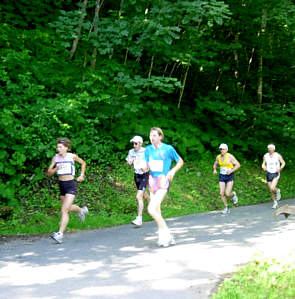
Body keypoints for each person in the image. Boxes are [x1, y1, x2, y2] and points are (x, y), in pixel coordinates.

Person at [143, 127, 184, 247]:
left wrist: (172, 171)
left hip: (163, 180)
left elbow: (180, 161)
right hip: (152, 181)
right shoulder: (148, 150)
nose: (152, 138)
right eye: (150, 135)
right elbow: (147, 166)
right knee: (157, 210)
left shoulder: (168, 148)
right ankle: (163, 236)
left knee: (151, 209)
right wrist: (145, 168)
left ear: (160, 137)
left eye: (154, 135)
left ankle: (167, 233)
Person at [47, 137, 88, 244]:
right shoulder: (55, 158)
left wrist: (82, 175)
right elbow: (48, 173)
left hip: (71, 184)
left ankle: (60, 234)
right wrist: (56, 168)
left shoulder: (72, 156)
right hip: (62, 185)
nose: (58, 149)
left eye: (60, 147)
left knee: (64, 210)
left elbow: (83, 163)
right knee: (68, 208)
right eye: (57, 147)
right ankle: (81, 210)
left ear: (66, 147)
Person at [126, 135, 150, 227]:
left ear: (140, 143)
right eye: (133, 143)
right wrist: (129, 162)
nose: (134, 145)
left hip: (144, 175)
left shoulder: (146, 151)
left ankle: (139, 219)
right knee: (144, 195)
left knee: (138, 196)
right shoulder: (131, 152)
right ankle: (152, 205)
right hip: (136, 175)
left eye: (136, 143)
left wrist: (147, 168)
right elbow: (128, 164)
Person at [213, 143, 240, 214]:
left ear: (227, 150)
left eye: (223, 149)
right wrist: (214, 169)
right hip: (222, 176)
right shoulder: (218, 157)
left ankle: (233, 195)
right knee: (221, 193)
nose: (221, 150)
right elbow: (215, 164)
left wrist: (231, 171)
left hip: (229, 176)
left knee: (227, 193)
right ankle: (226, 207)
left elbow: (238, 165)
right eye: (220, 149)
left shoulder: (230, 156)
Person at [262, 144, 285, 209]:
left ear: (274, 149)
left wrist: (280, 169)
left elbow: (283, 163)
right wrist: (263, 167)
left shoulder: (277, 155)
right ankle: (275, 203)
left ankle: (277, 190)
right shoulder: (265, 155)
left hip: (276, 173)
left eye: (271, 148)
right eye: (269, 148)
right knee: (271, 190)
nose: (270, 149)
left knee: (272, 188)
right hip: (269, 173)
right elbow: (263, 164)